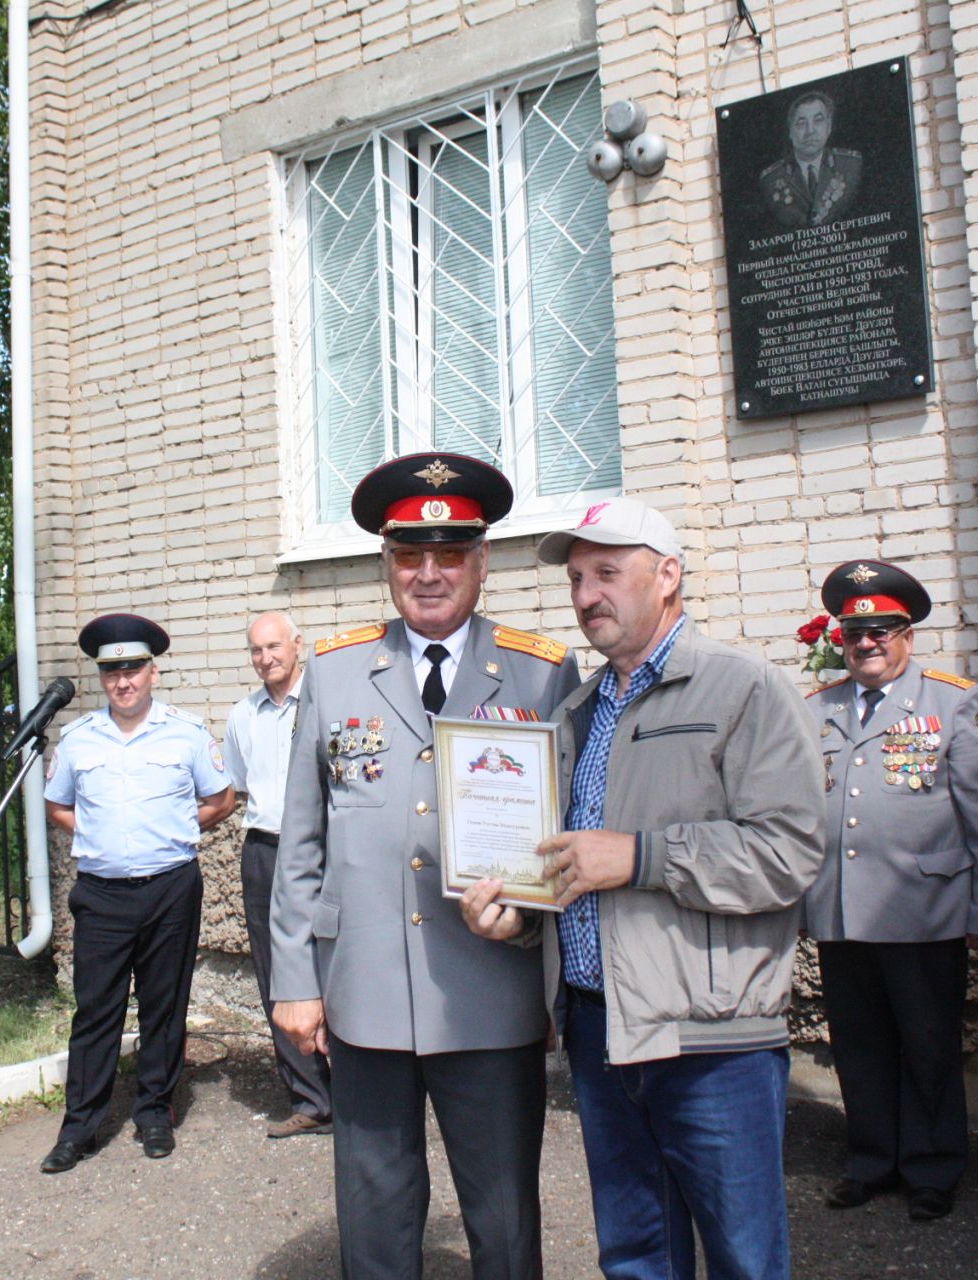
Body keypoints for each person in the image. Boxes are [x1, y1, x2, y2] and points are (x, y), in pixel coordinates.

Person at [462, 497, 824, 1280]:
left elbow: (789, 852)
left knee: (744, 1259)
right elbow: (570, 867)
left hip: (710, 1038)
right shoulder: (577, 710)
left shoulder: (742, 689)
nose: (589, 593)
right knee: (634, 1257)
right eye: (577, 577)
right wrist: (517, 923)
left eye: (608, 572)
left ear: (667, 576)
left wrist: (642, 857)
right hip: (599, 1031)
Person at [270, 452, 580, 1280]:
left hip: (490, 989)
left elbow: (568, 840)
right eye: (411, 555)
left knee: (504, 1213)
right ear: (388, 564)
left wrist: (537, 940)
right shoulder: (334, 672)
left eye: (451, 554)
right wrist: (296, 979)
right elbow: (300, 840)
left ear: (482, 563)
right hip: (364, 989)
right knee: (373, 1208)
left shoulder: (541, 673)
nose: (430, 573)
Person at [803, 560, 978, 1223]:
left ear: (908, 635)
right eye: (855, 632)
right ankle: (870, 1161)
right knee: (858, 1045)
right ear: (840, 638)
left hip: (926, 911)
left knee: (928, 1046)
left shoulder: (952, 702)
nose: (868, 643)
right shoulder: (819, 707)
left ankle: (932, 1168)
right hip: (843, 910)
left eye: (883, 630)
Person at [39, 613, 234, 1173]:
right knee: (95, 1010)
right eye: (111, 672)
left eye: (133, 669)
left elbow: (221, 800)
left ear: (153, 671)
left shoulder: (188, 733)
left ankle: (154, 1113)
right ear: (102, 677)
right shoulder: (77, 739)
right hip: (102, 893)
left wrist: (175, 829)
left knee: (163, 1006)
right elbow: (57, 805)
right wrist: (98, 834)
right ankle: (80, 1127)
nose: (123, 681)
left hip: (171, 887)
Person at [222, 610, 333, 1139]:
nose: (266, 658)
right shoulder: (242, 715)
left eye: (274, 646)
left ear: (298, 644)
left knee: (337, 963)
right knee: (276, 972)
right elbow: (240, 784)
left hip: (326, 848)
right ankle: (310, 1098)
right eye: (256, 650)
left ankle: (358, 1091)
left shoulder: (325, 700)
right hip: (265, 849)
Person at [759, 89, 863, 229]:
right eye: (801, 123)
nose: (810, 131)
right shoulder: (771, 180)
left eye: (818, 120)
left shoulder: (851, 166)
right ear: (790, 131)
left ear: (829, 126)